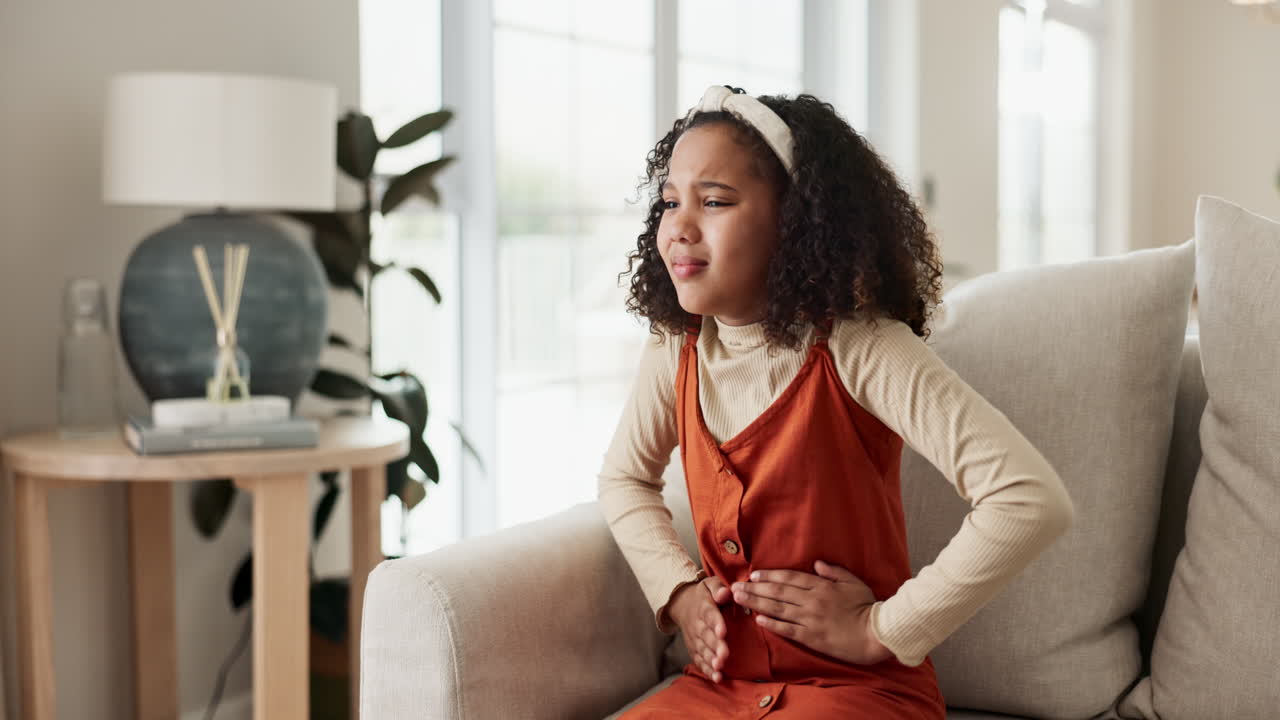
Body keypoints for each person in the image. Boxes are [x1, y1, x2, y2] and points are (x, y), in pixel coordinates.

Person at [597, 85, 1075, 718]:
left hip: (859, 692)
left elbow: (1028, 498)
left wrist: (882, 628)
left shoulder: (860, 345)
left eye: (714, 201)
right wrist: (678, 589)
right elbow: (624, 479)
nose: (679, 227)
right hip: (719, 689)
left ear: (795, 220)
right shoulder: (674, 347)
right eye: (669, 202)